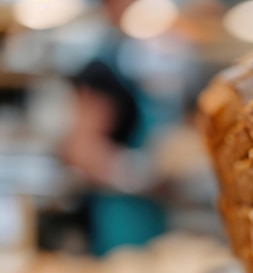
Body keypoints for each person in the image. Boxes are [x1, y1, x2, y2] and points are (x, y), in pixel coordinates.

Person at [60, 0, 178, 256]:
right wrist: (136, 175)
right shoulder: (100, 70)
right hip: (117, 214)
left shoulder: (142, 60)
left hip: (150, 211)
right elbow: (81, 149)